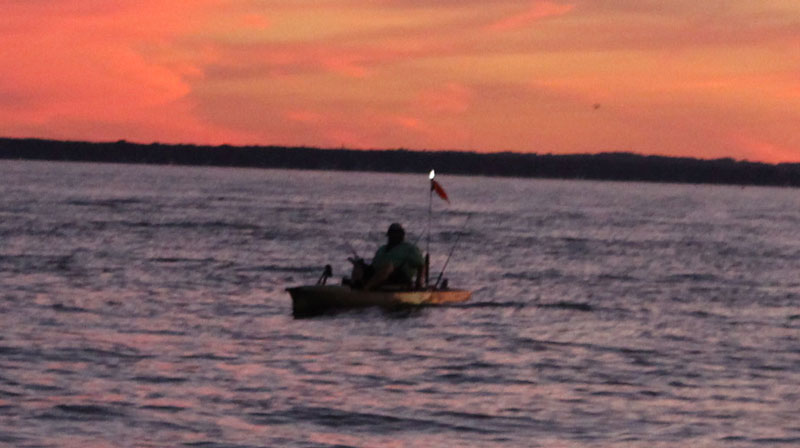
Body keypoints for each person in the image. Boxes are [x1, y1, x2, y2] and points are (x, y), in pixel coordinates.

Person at [351, 223, 424, 291]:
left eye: (397, 233)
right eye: (392, 233)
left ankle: (365, 289)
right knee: (358, 265)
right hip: (377, 274)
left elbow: (421, 265)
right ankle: (355, 286)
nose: (394, 236)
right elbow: (374, 265)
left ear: (402, 235)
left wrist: (419, 283)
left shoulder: (409, 248)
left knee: (388, 266)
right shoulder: (382, 249)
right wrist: (362, 265)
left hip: (398, 277)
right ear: (388, 235)